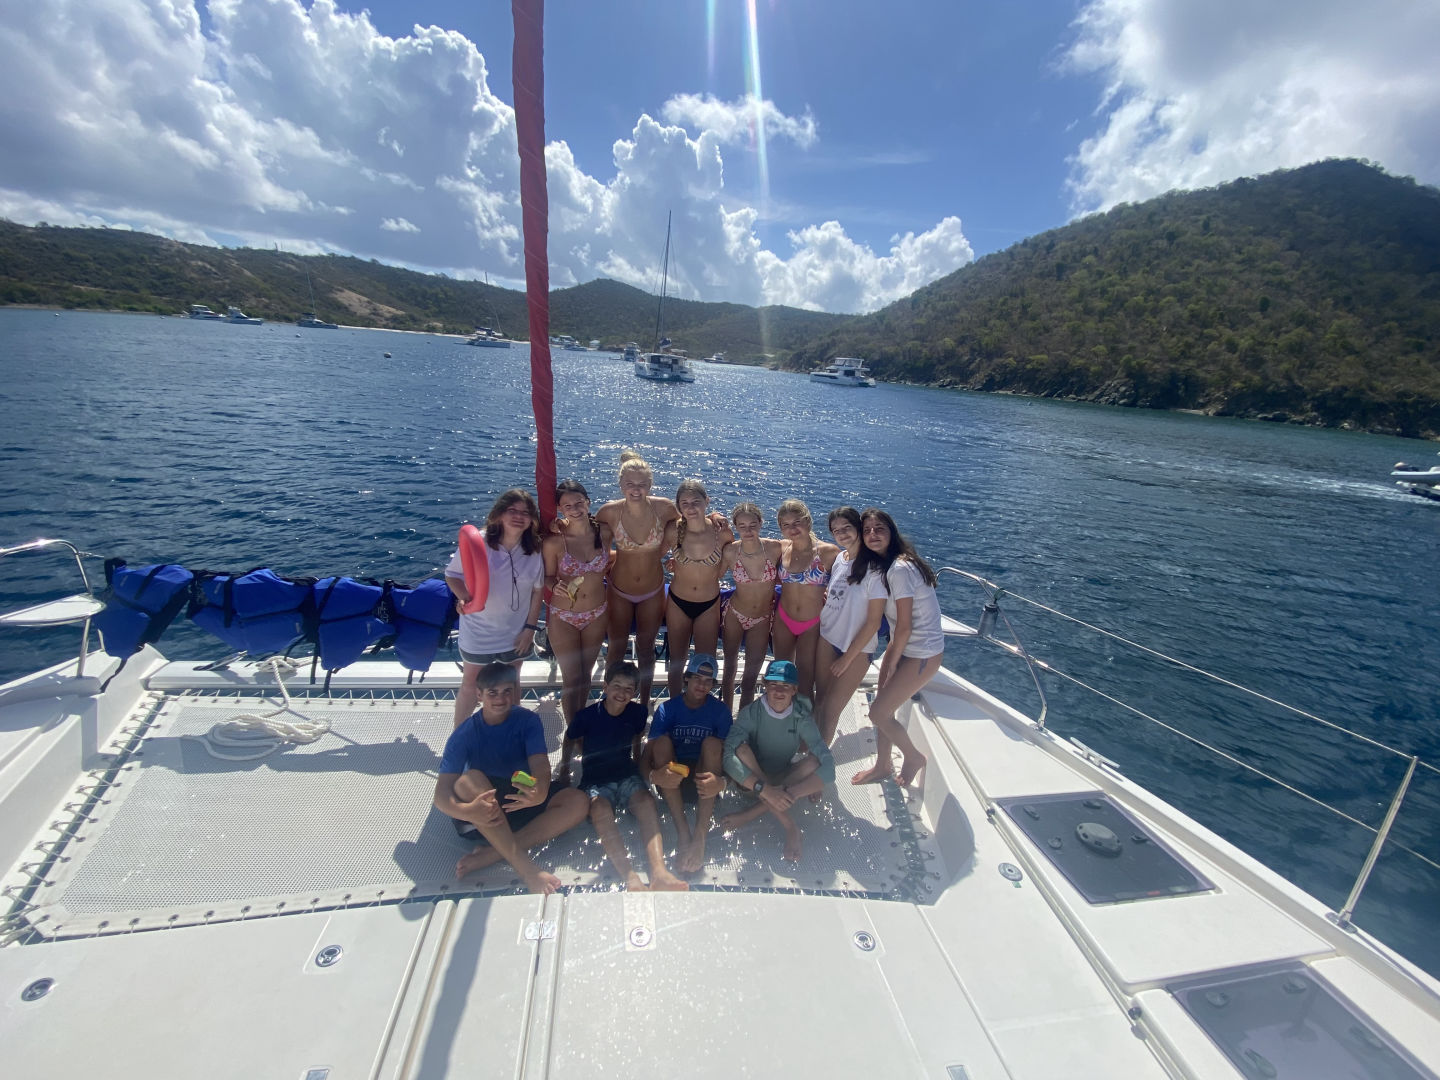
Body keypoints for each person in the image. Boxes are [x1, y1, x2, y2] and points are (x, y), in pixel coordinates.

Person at [433, 662, 589, 892]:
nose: (500, 699)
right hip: (484, 807)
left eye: (507, 691)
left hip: (520, 796)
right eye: (492, 693)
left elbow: (540, 764)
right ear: (479, 695)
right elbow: (441, 794)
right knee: (467, 781)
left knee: (578, 801)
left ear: (515, 692)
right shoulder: (463, 735)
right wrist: (467, 811)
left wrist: (540, 792)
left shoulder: (528, 720)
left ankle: (493, 853)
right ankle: (527, 869)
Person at [556, 662, 688, 892]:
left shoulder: (638, 712)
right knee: (599, 809)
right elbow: (570, 739)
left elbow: (637, 736)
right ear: (605, 687)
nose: (622, 693)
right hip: (595, 779)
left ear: (635, 692)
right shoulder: (586, 716)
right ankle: (629, 876)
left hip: (626, 774)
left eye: (629, 689)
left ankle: (659, 872)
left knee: (646, 802)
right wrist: (565, 770)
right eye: (616, 686)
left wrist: (637, 759)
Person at [850, 509, 944, 787]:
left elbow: (904, 626)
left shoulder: (900, 569)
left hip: (921, 653)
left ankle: (913, 757)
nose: (873, 534)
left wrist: (890, 662)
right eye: (867, 530)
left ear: (892, 532)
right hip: (901, 646)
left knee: (878, 713)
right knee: (884, 709)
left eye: (879, 528)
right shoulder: (886, 566)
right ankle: (882, 766)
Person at [444, 489, 546, 726]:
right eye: (512, 510)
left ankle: (511, 732)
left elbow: (537, 591)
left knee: (512, 683)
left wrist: (530, 629)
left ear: (532, 519)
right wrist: (464, 598)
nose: (519, 516)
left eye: (525, 512)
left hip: (516, 635)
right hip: (478, 633)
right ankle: (459, 736)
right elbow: (452, 575)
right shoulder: (478, 542)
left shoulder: (534, 550)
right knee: (472, 684)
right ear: (499, 514)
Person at [719, 659, 835, 862]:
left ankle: (750, 814)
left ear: (794, 690)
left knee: (814, 762)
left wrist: (790, 793)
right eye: (773, 684)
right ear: (765, 686)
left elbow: (828, 766)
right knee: (741, 750)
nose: (779, 691)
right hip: (753, 780)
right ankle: (791, 828)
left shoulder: (801, 717)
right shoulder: (751, 713)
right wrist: (765, 789)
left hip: (784, 779)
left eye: (785, 686)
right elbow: (728, 756)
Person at [594, 451, 680, 708]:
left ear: (650, 485)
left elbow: (687, 525)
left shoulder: (664, 508)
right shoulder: (609, 512)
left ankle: (643, 702)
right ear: (621, 484)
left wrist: (674, 554)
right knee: (616, 648)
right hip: (619, 589)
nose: (636, 489)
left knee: (645, 648)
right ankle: (610, 701)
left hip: (652, 590)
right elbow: (589, 538)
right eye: (630, 484)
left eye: (642, 484)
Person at [641, 652, 731, 873]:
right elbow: (645, 759)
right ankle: (683, 831)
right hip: (672, 782)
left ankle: (700, 836)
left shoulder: (720, 711)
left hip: (706, 781)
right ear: (686, 678)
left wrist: (723, 783)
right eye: (697, 678)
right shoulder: (667, 709)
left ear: (713, 685)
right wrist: (654, 776)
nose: (702, 685)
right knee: (661, 743)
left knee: (713, 744)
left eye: (708, 681)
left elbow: (730, 758)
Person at [814, 506, 888, 744]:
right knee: (820, 700)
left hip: (857, 649)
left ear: (858, 528)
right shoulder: (839, 558)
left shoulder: (875, 569)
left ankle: (818, 761)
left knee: (831, 710)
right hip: (828, 637)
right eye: (836, 531)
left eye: (847, 527)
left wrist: (846, 659)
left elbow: (873, 622)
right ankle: (810, 749)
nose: (842, 534)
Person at [542, 480, 613, 726]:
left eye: (579, 503)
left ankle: (579, 727)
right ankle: (571, 735)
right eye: (568, 506)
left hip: (597, 613)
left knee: (585, 677)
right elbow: (547, 576)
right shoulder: (555, 542)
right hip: (564, 616)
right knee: (571, 679)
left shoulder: (605, 533)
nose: (575, 509)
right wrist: (554, 586)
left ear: (588, 502)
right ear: (560, 509)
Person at [662, 478, 733, 699]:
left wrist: (715, 516)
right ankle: (675, 706)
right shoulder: (673, 530)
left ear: (707, 501)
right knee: (676, 662)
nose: (691, 507)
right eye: (685, 503)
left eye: (696, 502)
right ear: (678, 507)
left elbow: (724, 569)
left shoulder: (722, 533)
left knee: (705, 664)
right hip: (678, 603)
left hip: (708, 605)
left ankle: (701, 708)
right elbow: (650, 555)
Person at [773, 498, 840, 703]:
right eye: (786, 525)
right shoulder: (782, 548)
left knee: (805, 678)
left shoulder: (828, 552)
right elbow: (750, 542)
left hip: (812, 624)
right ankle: (783, 715)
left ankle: (805, 720)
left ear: (808, 522)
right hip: (783, 619)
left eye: (797, 522)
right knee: (781, 675)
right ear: (781, 528)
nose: (792, 529)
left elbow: (847, 579)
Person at [718, 502, 782, 711]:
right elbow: (712, 574)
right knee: (729, 670)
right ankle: (725, 715)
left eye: (753, 525)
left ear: (761, 523)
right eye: (742, 526)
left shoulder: (775, 548)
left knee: (750, 676)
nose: (748, 530)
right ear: (736, 527)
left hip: (762, 619)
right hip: (735, 614)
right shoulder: (730, 551)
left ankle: (744, 719)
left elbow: (804, 548)